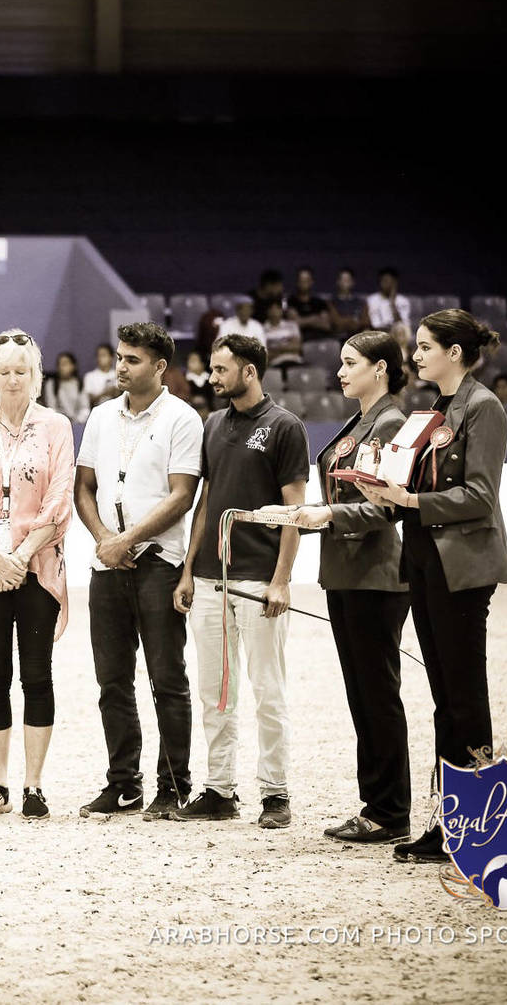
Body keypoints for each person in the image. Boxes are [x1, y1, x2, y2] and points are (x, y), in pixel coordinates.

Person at [291, 310, 507, 863]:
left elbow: (481, 496)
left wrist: (409, 501)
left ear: (454, 353)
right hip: (426, 561)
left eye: (424, 346)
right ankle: (450, 819)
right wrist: (384, 490)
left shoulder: (483, 408)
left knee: (463, 697)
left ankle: (473, 822)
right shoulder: (434, 412)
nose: (415, 355)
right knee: (445, 698)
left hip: (461, 566)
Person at [171, 334, 308, 830]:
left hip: (258, 581)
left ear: (249, 371)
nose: (213, 377)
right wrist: (188, 569)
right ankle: (220, 789)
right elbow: (206, 502)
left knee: (267, 690)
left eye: (221, 369)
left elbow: (295, 511)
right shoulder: (212, 424)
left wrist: (282, 581)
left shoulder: (285, 427)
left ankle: (275, 794)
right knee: (216, 692)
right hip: (209, 579)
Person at [73, 322, 201, 821]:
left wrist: (129, 539)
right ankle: (123, 783)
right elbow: (83, 487)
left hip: (160, 563)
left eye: (131, 359)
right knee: (112, 682)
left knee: (167, 678)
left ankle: (174, 785)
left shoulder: (183, 419)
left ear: (160, 367)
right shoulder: (102, 416)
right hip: (107, 564)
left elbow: (182, 495)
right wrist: (106, 539)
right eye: (119, 358)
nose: (120, 366)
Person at [0, 329, 74, 820]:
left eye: (21, 370)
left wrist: (20, 555)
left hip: (38, 569)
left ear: (35, 373)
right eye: (3, 371)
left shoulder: (56, 426)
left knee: (37, 676)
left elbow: (60, 497)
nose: (12, 379)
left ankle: (34, 786)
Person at [309, 331, 413, 844]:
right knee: (363, 692)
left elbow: (385, 507)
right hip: (348, 571)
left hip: (376, 575)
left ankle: (390, 809)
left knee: (376, 693)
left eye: (351, 363)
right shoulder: (363, 420)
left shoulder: (390, 422)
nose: (341, 371)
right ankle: (377, 804)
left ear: (382, 369)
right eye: (340, 363)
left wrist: (326, 513)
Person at [365, 267, 413, 347]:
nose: (387, 284)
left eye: (389, 281)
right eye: (384, 281)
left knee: (400, 330)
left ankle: (402, 358)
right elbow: (371, 323)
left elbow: (403, 324)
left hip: (397, 333)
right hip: (376, 331)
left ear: (395, 283)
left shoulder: (403, 301)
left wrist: (392, 303)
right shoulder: (372, 299)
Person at [42, 350, 91, 425]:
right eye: (59, 364)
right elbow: (51, 408)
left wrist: (76, 420)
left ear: (73, 366)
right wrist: (63, 420)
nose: (61, 367)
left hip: (77, 424)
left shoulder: (79, 384)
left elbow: (85, 408)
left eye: (65, 364)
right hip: (58, 424)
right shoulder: (52, 384)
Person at [290, 267, 334, 337]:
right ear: (297, 282)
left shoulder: (319, 302)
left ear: (312, 282)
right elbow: (294, 323)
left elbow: (326, 325)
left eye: (306, 280)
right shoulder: (291, 301)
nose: (304, 283)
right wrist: (314, 318)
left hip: (321, 338)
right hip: (301, 339)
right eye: (301, 280)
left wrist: (304, 321)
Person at [262, 300, 303, 372]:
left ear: (281, 310)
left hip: (295, 361)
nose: (274, 311)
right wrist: (288, 346)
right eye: (271, 308)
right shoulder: (261, 329)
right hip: (276, 365)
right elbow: (266, 355)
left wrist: (274, 348)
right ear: (267, 311)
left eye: (277, 308)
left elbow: (297, 348)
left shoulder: (292, 325)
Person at [330, 267, 367, 336]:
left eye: (348, 279)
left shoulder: (360, 302)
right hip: (338, 336)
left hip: (357, 336)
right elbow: (336, 322)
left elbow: (365, 321)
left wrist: (347, 322)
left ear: (353, 282)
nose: (346, 282)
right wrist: (353, 320)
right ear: (338, 282)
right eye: (343, 279)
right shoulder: (331, 302)